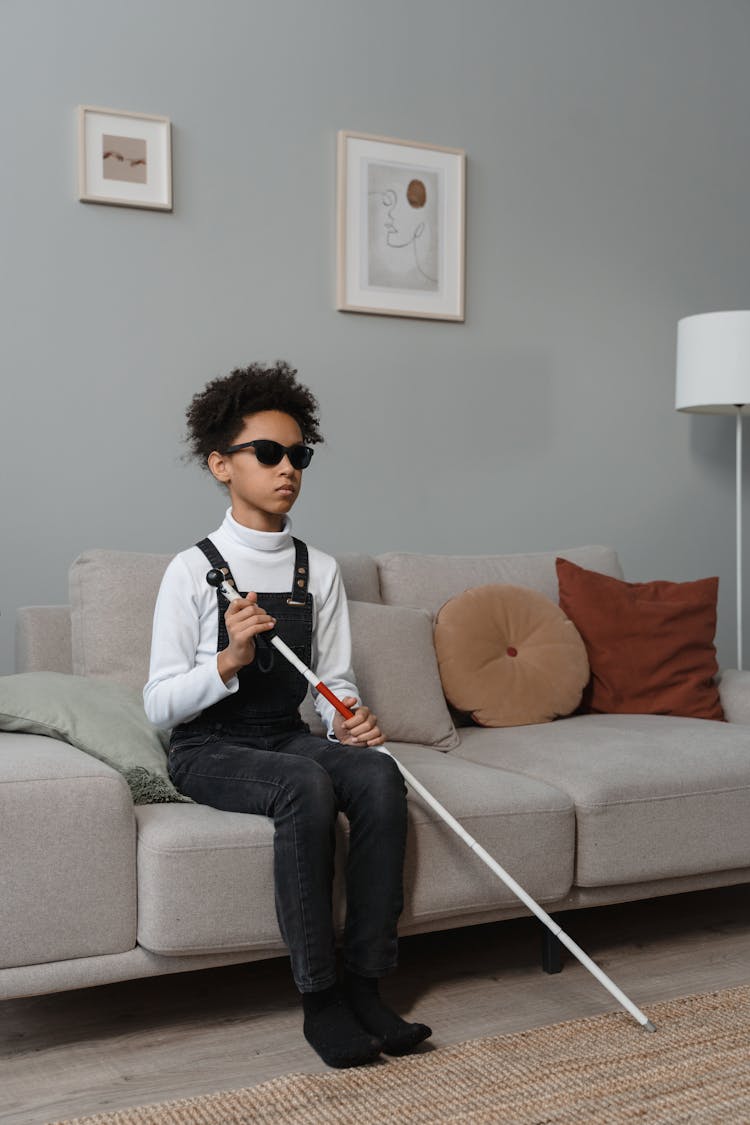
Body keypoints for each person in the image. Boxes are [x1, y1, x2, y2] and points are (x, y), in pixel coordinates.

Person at [144, 361, 431, 1068]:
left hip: (284, 735)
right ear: (221, 464)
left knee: (375, 775)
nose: (287, 468)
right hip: (208, 747)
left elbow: (333, 686)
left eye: (298, 454)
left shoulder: (318, 569)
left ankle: (367, 983)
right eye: (266, 453)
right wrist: (228, 660)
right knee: (304, 788)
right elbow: (157, 704)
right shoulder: (192, 569)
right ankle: (322, 997)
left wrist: (349, 722)